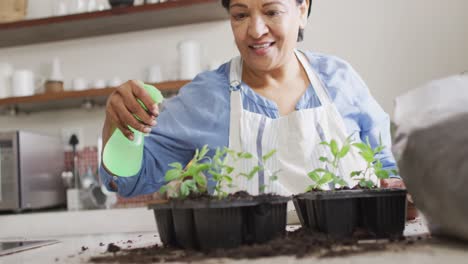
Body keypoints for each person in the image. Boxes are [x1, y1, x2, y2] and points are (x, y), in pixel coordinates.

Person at [100, 0, 411, 216]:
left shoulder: (340, 80)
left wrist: (405, 193)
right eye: (240, 15)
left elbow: (389, 169)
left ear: (302, 10)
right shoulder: (205, 97)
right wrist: (118, 122)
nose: (255, 30)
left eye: (272, 11)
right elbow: (128, 181)